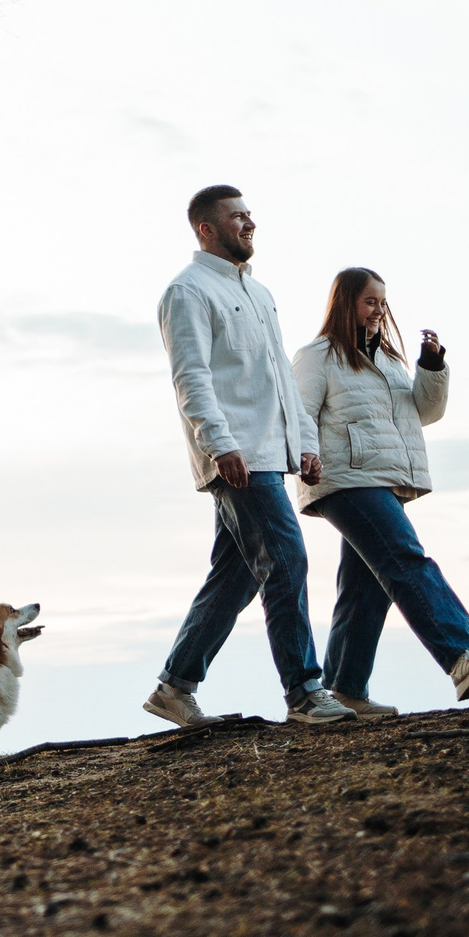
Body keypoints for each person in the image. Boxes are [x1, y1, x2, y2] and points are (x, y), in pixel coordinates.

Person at [144, 186, 358, 728]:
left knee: (235, 577)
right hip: (236, 455)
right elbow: (191, 377)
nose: (250, 223)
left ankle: (174, 686)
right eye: (237, 216)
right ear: (206, 228)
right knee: (286, 560)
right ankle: (305, 692)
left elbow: (282, 377)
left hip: (268, 452)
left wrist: (304, 442)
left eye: (249, 215)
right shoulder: (187, 291)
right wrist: (219, 444)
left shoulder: (259, 293)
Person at [291, 267, 469, 715]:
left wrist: (431, 366)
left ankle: (345, 688)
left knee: (367, 585)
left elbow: (422, 413)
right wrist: (305, 455)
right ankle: (461, 655)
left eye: (383, 303)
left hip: (381, 478)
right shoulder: (317, 356)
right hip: (344, 477)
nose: (378, 311)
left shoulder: (389, 360)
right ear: (345, 303)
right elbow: (300, 413)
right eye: (370, 301)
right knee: (406, 559)